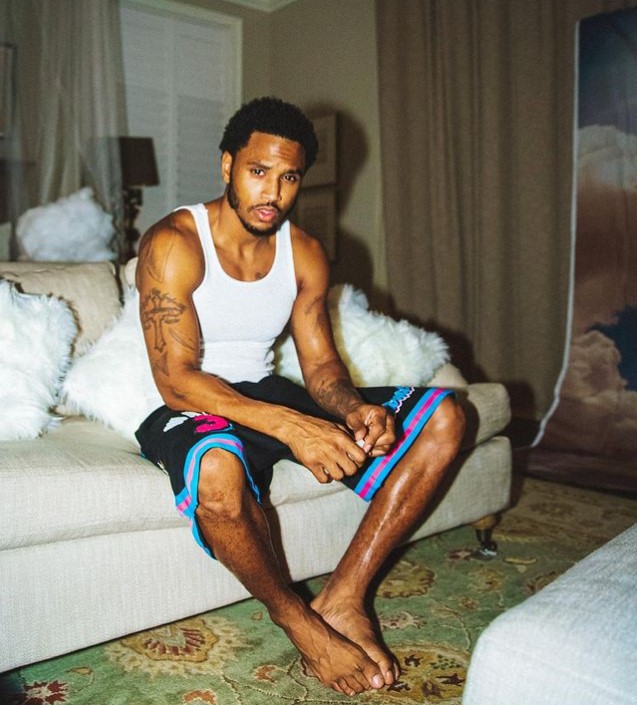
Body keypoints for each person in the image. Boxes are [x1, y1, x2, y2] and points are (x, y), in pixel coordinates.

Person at [135, 96, 465, 697]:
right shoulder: (175, 241)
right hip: (192, 403)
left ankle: (344, 596)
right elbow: (175, 378)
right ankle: (299, 622)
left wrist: (354, 410)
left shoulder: (305, 252)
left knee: (444, 416)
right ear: (228, 165)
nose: (273, 192)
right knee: (216, 471)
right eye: (258, 171)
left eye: (289, 177)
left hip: (269, 390)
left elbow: (321, 368)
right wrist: (290, 426)